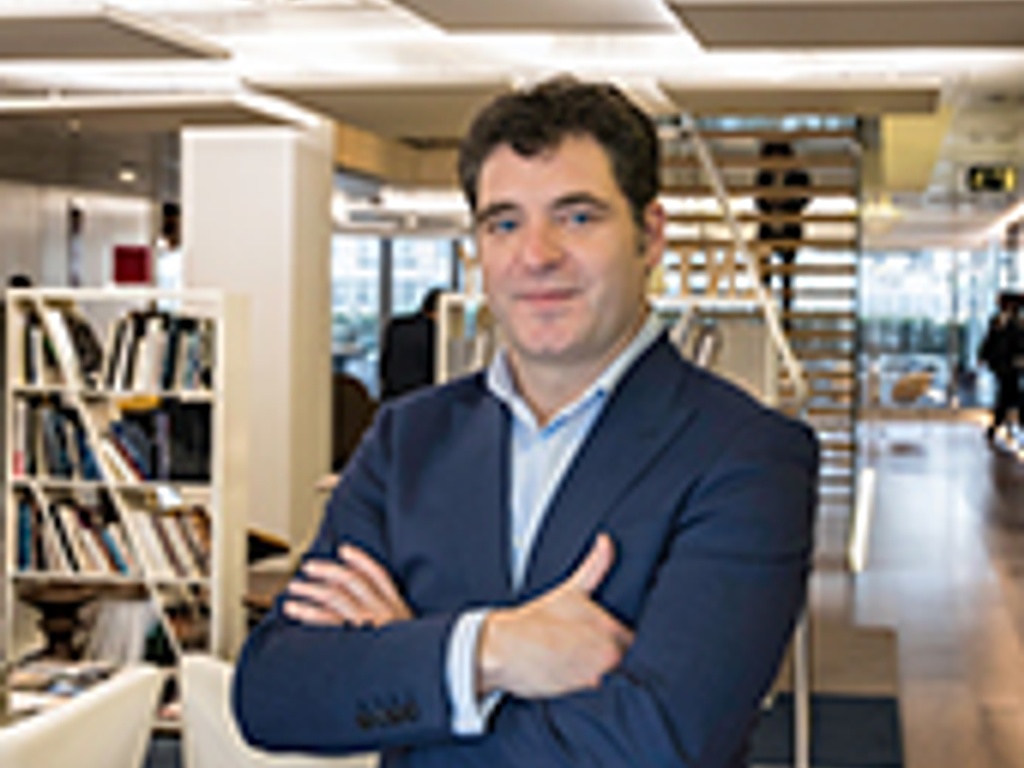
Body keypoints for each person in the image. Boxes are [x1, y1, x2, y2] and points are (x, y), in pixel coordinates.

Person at [232, 77, 819, 768]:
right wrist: (489, 649)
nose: (536, 256)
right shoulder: (407, 440)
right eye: (504, 222)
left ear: (650, 234)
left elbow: (658, 748)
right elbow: (273, 692)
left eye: (576, 217)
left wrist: (414, 662)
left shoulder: (746, 455)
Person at [754, 142, 810, 325]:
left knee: (787, 276)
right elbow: (758, 200)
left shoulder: (799, 176)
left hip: (789, 229)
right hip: (768, 228)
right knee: (765, 274)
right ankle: (765, 313)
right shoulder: (763, 176)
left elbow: (807, 197)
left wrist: (786, 204)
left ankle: (786, 315)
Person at [379, 288, 442, 400]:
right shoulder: (435, 332)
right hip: (421, 400)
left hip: (392, 398)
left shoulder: (396, 325)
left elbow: (384, 365)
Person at [978, 292, 1023, 441]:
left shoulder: (1019, 320)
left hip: (1014, 364)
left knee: (1007, 395)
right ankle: (998, 425)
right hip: (1001, 364)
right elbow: (990, 339)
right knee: (1008, 394)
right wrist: (982, 356)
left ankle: (995, 426)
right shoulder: (997, 319)